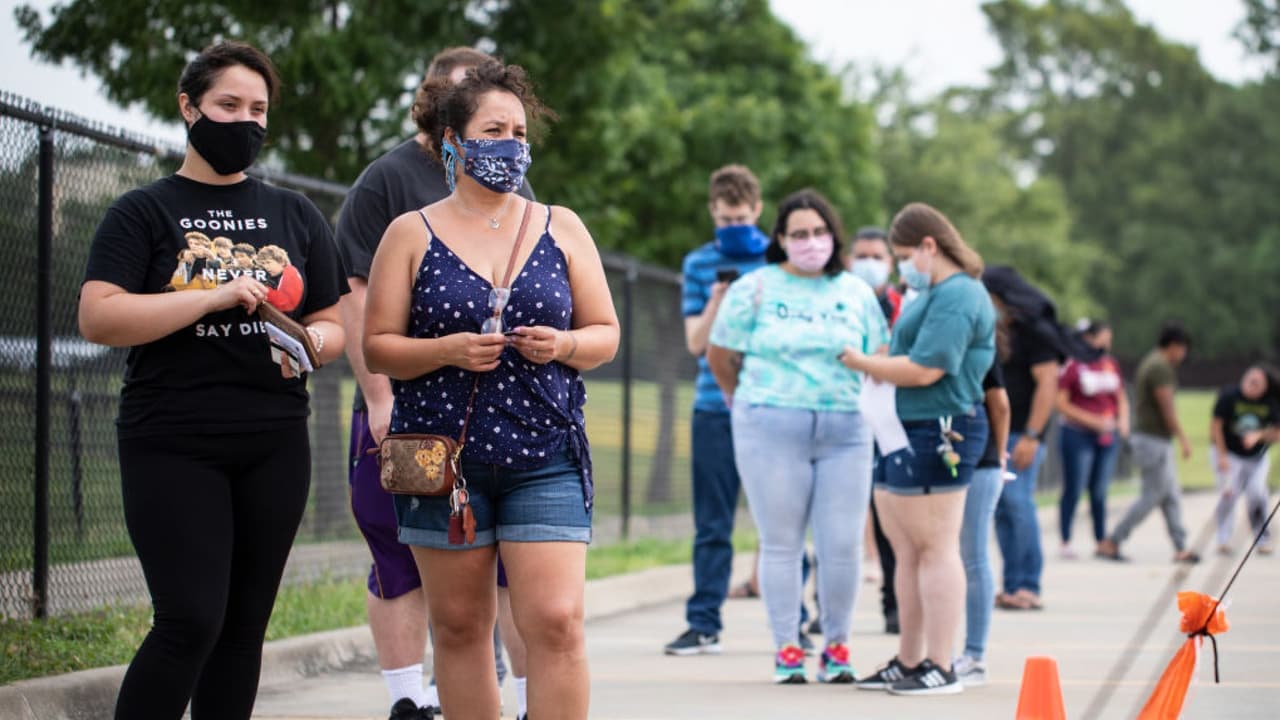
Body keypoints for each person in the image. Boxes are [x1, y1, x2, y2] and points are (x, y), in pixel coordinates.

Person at [78, 41, 348, 719]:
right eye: (229, 105)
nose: (245, 122)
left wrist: (311, 343)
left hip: (274, 441)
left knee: (242, 628)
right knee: (190, 620)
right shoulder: (142, 211)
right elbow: (100, 317)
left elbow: (331, 321)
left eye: (258, 110)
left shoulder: (296, 213)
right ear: (189, 107)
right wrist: (211, 297)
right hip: (173, 440)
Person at [363, 59, 618, 720]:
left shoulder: (561, 226)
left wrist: (562, 345)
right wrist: (446, 350)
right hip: (440, 459)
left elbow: (605, 334)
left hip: (545, 455)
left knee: (557, 621)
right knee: (458, 627)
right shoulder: (409, 232)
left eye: (519, 132)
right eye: (493, 131)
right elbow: (377, 346)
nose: (510, 144)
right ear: (453, 141)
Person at [335, 45, 534, 720]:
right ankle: (407, 699)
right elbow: (357, 296)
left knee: (508, 564)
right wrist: (379, 397)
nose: (502, 135)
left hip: (502, 417)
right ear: (439, 110)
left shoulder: (515, 184)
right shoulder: (386, 182)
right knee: (399, 550)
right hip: (412, 412)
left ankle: (526, 699)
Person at [705, 188, 886, 684]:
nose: (812, 242)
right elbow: (720, 353)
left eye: (820, 232)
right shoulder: (755, 288)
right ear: (781, 239)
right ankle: (787, 647)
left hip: (846, 428)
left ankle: (837, 648)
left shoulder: (855, 291)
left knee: (842, 544)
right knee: (782, 543)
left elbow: (879, 353)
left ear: (834, 235)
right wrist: (740, 400)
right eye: (800, 233)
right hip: (770, 426)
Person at [844, 202, 995, 696]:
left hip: (941, 426)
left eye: (906, 255)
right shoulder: (930, 293)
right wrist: (880, 358)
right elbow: (905, 352)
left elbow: (928, 368)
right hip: (901, 427)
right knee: (906, 550)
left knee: (935, 547)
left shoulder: (960, 293)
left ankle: (940, 663)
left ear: (930, 245)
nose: (903, 266)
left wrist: (862, 362)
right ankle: (909, 659)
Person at [664, 165, 770, 656]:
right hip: (714, 407)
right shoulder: (699, 263)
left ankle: (796, 623)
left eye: (742, 218)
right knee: (712, 524)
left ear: (758, 211)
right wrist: (717, 303)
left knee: (782, 522)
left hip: (770, 403)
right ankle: (703, 622)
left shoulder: (777, 259)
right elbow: (694, 342)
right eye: (726, 219)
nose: (734, 227)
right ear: (713, 212)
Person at [981, 266, 1063, 611]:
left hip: (1022, 433)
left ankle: (1029, 583)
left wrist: (1032, 434)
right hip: (996, 432)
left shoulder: (1035, 333)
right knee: (1002, 508)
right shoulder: (993, 330)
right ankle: (1012, 583)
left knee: (1018, 502)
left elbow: (1048, 384)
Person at [1097, 322, 1199, 563]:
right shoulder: (1160, 367)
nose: (1183, 355)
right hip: (1153, 441)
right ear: (1174, 346)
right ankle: (1113, 540)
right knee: (1152, 496)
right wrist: (1183, 438)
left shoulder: (1153, 362)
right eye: (1183, 348)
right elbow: (1167, 407)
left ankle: (1180, 546)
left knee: (1170, 495)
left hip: (1156, 440)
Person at [847, 225, 901, 635]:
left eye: (876, 257)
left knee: (888, 517)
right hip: (845, 414)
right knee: (838, 517)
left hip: (890, 421)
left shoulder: (904, 306)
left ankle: (894, 605)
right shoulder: (840, 300)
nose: (868, 264)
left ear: (890, 263)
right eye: (861, 256)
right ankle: (826, 609)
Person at [953, 359, 1011, 687]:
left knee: (972, 557)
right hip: (966, 458)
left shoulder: (980, 349)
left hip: (980, 461)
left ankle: (974, 654)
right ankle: (948, 653)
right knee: (959, 558)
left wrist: (1000, 455)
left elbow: (1000, 405)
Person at [1056, 320, 1129, 558]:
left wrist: (1122, 421)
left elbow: (1120, 397)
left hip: (1106, 436)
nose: (1106, 345)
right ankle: (1066, 539)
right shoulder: (1074, 365)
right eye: (1103, 339)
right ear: (1089, 338)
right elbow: (1061, 403)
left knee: (1099, 490)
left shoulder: (1110, 364)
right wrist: (1091, 421)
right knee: (1075, 488)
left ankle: (1100, 539)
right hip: (1078, 434)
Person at [1209, 365, 1280, 555]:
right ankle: (1224, 538)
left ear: (1265, 387)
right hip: (1229, 453)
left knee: (1257, 494)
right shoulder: (1229, 396)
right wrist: (1222, 456)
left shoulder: (1270, 403)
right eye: (1250, 379)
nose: (1252, 385)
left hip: (1256, 457)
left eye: (1258, 383)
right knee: (1229, 494)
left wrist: (1259, 435)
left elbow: (1277, 433)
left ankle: (1262, 539)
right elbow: (1216, 426)